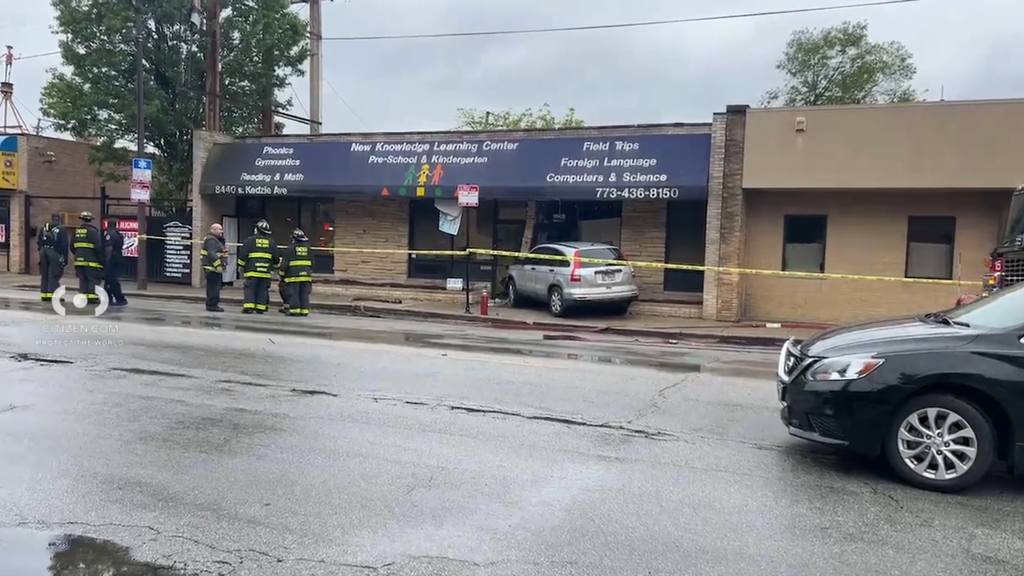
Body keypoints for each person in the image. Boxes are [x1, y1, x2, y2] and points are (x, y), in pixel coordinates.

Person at [236, 219, 277, 314]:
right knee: (262, 290)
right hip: (265, 273)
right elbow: (276, 258)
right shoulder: (271, 243)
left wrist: (240, 266)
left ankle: (249, 307)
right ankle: (260, 307)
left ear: (257, 229)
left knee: (250, 289)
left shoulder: (249, 241)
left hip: (252, 271)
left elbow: (243, 255)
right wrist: (275, 267)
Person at [71, 211, 103, 304]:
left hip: (78, 261)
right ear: (90, 220)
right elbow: (98, 247)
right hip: (91, 261)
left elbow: (72, 246)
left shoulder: (76, 231)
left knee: (82, 279)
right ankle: (92, 297)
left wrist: (77, 254)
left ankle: (83, 296)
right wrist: (100, 259)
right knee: (92, 279)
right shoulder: (93, 232)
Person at [279, 228, 313, 316]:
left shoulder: (290, 249)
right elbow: (312, 263)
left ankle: (295, 311)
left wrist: (281, 274)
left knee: (294, 293)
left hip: (293, 276)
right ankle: (304, 311)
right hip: (306, 275)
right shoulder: (308, 248)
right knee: (304, 293)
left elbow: (285, 264)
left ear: (294, 238)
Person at [36, 214, 67, 302]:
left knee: (44, 274)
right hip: (54, 252)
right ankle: (54, 295)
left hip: (43, 251)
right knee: (54, 274)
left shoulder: (44, 228)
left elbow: (39, 241)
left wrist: (41, 250)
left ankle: (45, 294)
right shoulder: (61, 229)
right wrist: (64, 258)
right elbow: (64, 245)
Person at [200, 223, 227, 312]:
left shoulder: (215, 239)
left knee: (215, 287)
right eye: (219, 229)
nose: (221, 231)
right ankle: (212, 305)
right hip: (212, 268)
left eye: (221, 229)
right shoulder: (211, 240)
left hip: (213, 268)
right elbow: (212, 254)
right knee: (214, 288)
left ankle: (212, 304)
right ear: (213, 230)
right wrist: (218, 265)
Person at [102, 218, 128, 306]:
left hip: (112, 260)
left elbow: (108, 248)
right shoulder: (118, 234)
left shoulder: (110, 234)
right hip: (117, 258)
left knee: (111, 280)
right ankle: (111, 298)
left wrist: (107, 261)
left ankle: (119, 298)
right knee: (110, 281)